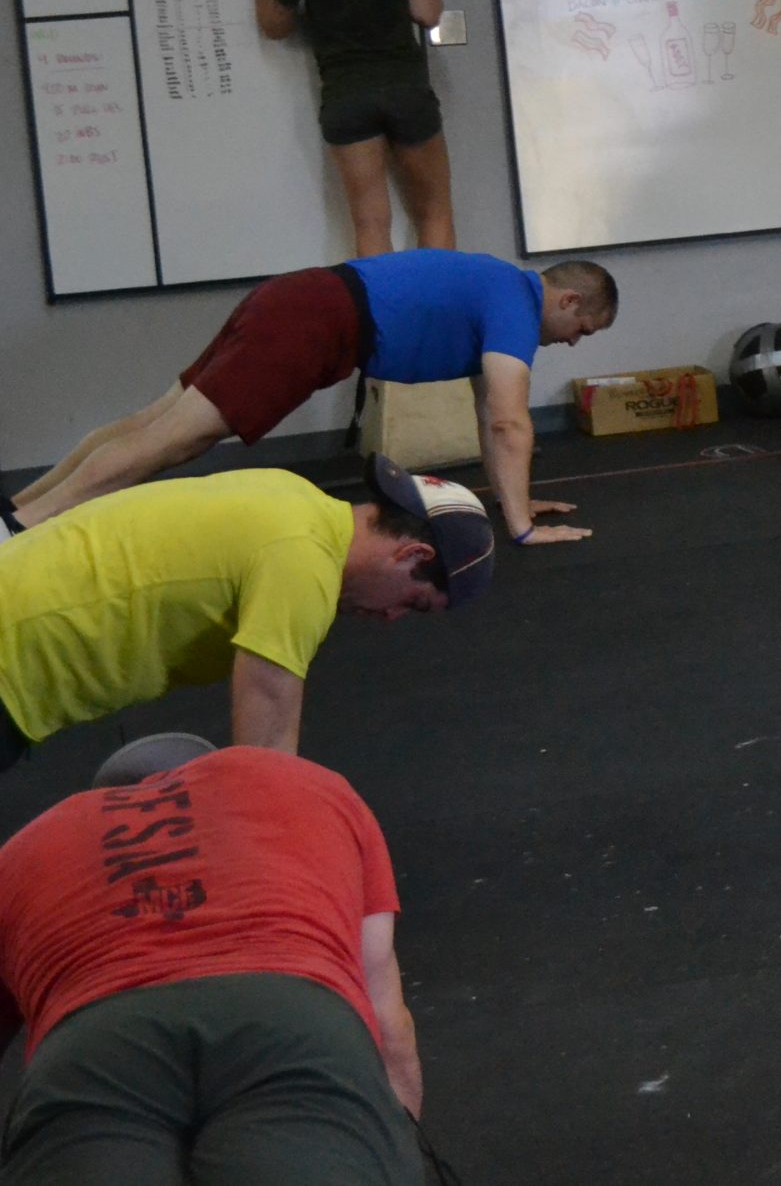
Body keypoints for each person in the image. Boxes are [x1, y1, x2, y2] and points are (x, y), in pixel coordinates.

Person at [0, 733, 426, 1183]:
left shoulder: (28, 845)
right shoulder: (304, 786)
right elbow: (389, 1026)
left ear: (101, 797)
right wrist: (388, 1146)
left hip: (94, 1047)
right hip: (288, 1020)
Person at [2, 249, 615, 543]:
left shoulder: (500, 288)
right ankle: (23, 526)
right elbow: (509, 422)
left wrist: (515, 502)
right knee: (176, 439)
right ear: (567, 300)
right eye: (581, 330)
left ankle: (16, 509)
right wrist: (522, 532)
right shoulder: (516, 304)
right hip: (312, 319)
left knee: (155, 423)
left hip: (299, 300)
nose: (573, 343)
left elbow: (489, 414)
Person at [0, 457, 491, 770]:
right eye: (412, 602)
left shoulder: (291, 494)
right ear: (412, 555)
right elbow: (265, 755)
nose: (391, 617)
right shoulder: (304, 566)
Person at [241, 0, 453, 257]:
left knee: (370, 223)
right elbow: (427, 13)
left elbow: (276, 26)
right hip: (406, 89)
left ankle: (380, 303)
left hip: (346, 96)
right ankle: (439, 299)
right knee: (435, 212)